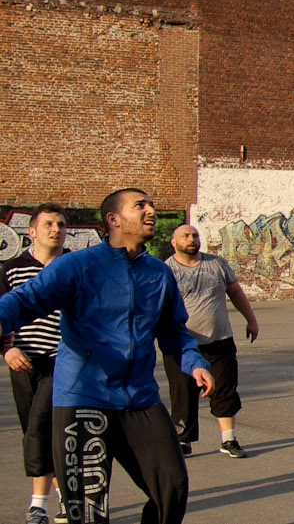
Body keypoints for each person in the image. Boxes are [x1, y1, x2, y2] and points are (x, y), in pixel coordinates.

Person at [0, 188, 212, 524]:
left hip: (139, 398)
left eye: (151, 205)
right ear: (113, 219)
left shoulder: (158, 273)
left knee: (171, 488)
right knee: (88, 511)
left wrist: (195, 362)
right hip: (83, 399)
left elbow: (174, 332)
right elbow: (25, 300)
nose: (150, 211)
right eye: (139, 206)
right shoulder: (78, 266)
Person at [161, 225, 259, 459]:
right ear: (174, 243)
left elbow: (235, 292)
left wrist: (251, 320)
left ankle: (228, 440)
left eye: (194, 235)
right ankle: (183, 440)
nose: (191, 239)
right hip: (182, 344)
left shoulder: (216, 263)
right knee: (182, 393)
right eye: (185, 236)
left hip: (219, 339)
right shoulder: (165, 270)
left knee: (225, 391)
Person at [1, 205, 66, 524]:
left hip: (64, 363)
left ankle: (41, 504)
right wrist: (6, 351)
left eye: (62, 225)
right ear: (32, 231)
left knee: (48, 428)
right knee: (33, 432)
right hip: (23, 362)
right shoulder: (12, 269)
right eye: (49, 224)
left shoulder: (73, 266)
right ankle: (56, 499)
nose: (56, 229)